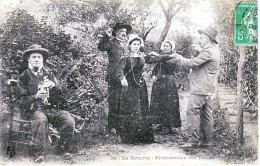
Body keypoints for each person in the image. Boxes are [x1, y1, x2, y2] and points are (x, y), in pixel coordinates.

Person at [17, 44, 75, 161]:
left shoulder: (49, 73)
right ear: (29, 59)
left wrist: (54, 85)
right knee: (41, 119)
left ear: (43, 59)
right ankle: (39, 154)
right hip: (35, 110)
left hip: (52, 109)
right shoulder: (23, 77)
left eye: (39, 57)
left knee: (68, 120)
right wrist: (35, 96)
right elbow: (21, 101)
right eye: (34, 57)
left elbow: (60, 90)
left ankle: (62, 149)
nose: (37, 59)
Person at [116, 34, 173, 144]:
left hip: (140, 85)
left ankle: (141, 137)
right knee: (133, 109)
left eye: (138, 44)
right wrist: (123, 79)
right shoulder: (125, 58)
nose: (136, 46)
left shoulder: (142, 57)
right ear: (130, 46)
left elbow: (156, 59)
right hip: (129, 86)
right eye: (134, 44)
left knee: (142, 109)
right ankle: (129, 137)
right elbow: (119, 70)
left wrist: (170, 56)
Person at [170, 26, 220, 148]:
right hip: (207, 88)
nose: (199, 40)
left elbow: (193, 63)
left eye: (202, 37)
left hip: (200, 88)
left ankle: (193, 141)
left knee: (192, 112)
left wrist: (179, 58)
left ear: (208, 38)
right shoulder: (213, 50)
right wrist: (199, 52)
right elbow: (201, 63)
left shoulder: (208, 51)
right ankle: (207, 141)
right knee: (206, 114)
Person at [98, 22, 132, 134]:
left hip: (126, 76)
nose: (123, 34)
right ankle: (112, 127)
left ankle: (122, 125)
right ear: (116, 32)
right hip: (114, 76)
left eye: (125, 32)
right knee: (114, 101)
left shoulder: (127, 45)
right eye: (121, 31)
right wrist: (106, 36)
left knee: (124, 101)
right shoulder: (111, 43)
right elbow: (101, 47)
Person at [150, 40, 181, 134]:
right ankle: (159, 124)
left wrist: (159, 57)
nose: (165, 48)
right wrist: (153, 75)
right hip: (159, 82)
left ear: (172, 48)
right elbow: (155, 68)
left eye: (168, 46)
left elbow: (169, 66)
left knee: (168, 103)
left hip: (168, 82)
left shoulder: (173, 57)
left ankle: (168, 126)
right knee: (158, 102)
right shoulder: (161, 57)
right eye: (164, 46)